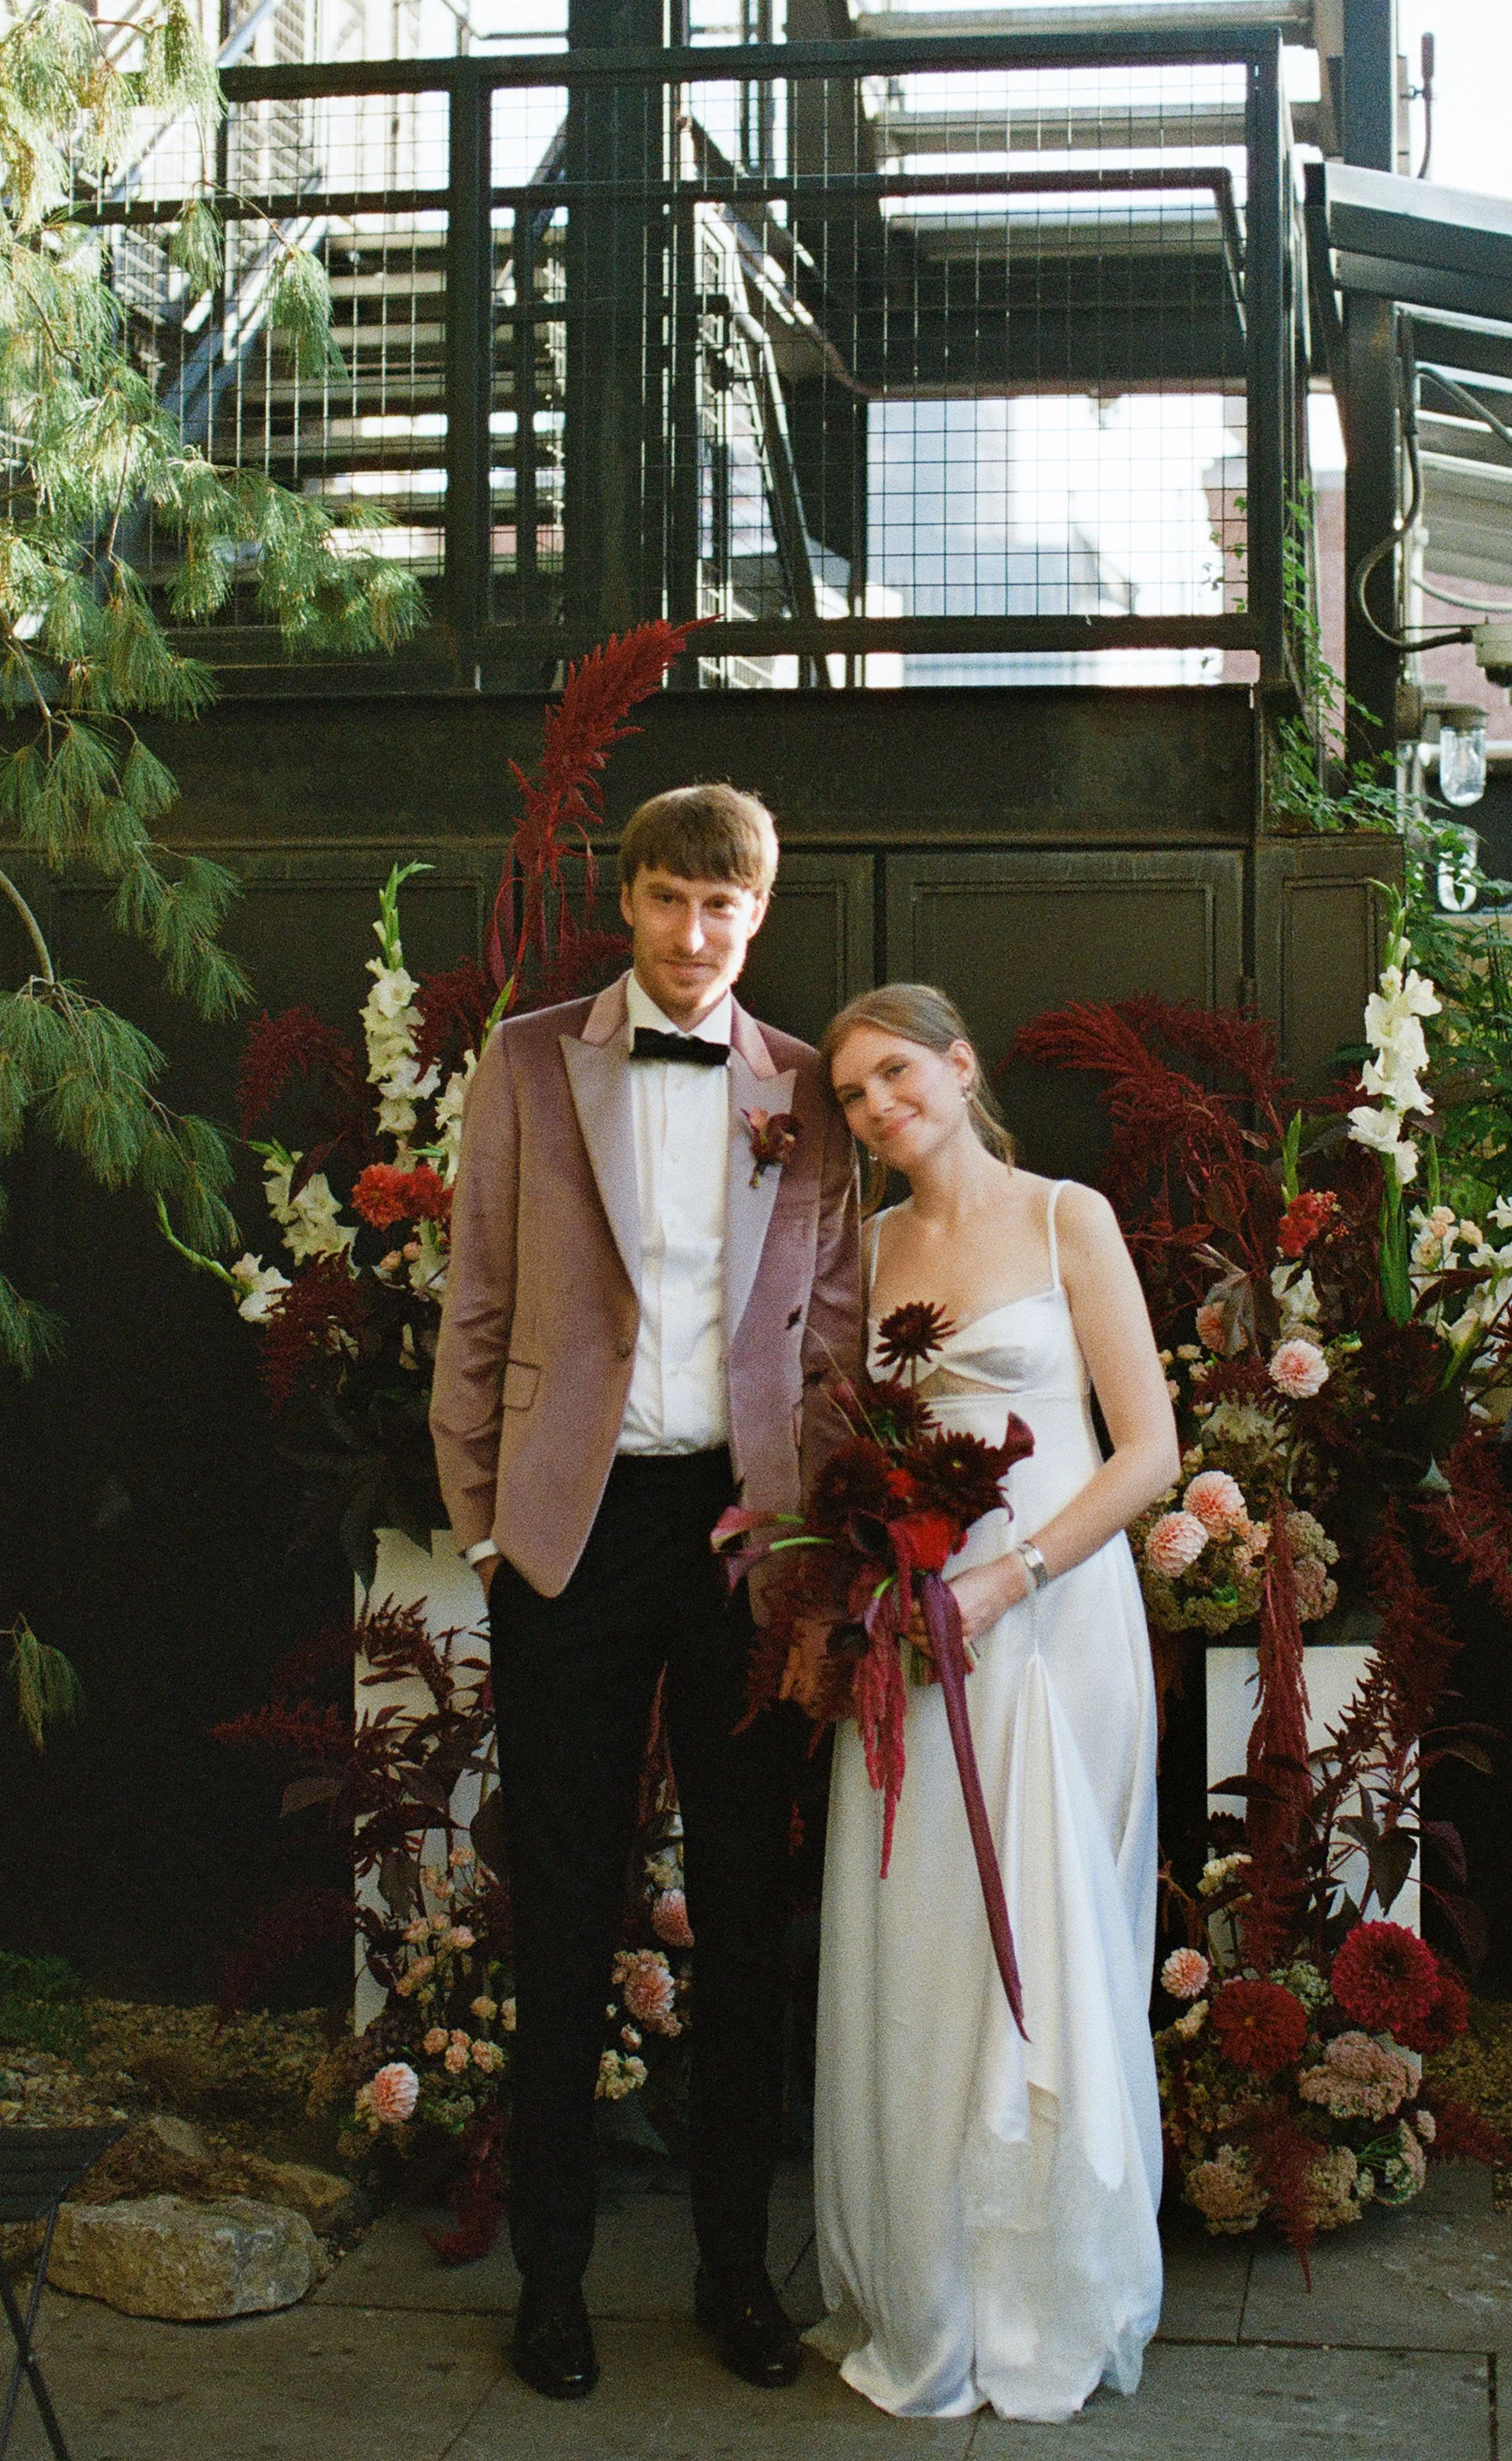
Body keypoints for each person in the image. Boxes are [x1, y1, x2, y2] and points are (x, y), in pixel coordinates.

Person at [430, 784, 859, 2401]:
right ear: (629, 900)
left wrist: (810, 1544)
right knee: (564, 1897)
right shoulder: (536, 1058)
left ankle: (738, 2275)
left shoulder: (808, 1090)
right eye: (670, 902)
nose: (694, 937)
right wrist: (484, 1521)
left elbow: (826, 1334)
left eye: (723, 911)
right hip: (574, 1533)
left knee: (749, 1912)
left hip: (744, 1540)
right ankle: (553, 2285)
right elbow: (478, 1298)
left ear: (760, 916)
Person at [810, 982, 1180, 2424]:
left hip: (1048, 1615)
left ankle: (1048, 2291)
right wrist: (870, 1579)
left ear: (960, 1067)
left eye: (897, 1074)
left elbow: (1146, 1451)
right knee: (926, 1937)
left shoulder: (1062, 1217)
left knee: (1053, 1929)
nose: (879, 1107)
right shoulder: (866, 1245)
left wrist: (1006, 1581)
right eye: (851, 1095)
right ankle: (935, 2283)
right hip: (909, 1632)